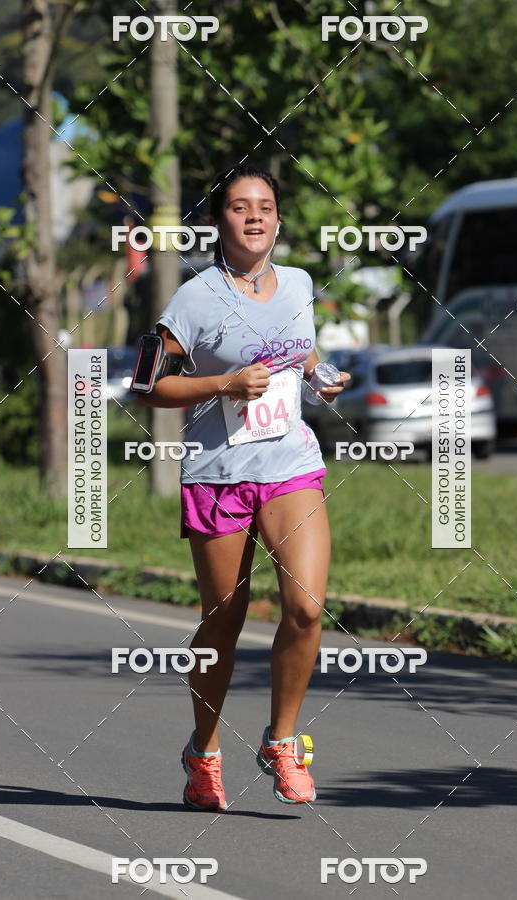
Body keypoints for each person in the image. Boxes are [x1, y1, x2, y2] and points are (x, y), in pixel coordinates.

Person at [139, 163, 350, 810]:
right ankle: (202, 751)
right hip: (218, 474)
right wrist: (221, 385)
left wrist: (320, 374)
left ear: (278, 219)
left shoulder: (301, 283)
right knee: (223, 623)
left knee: (307, 607)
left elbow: (297, 347)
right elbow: (148, 384)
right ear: (218, 221)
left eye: (265, 206)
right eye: (239, 206)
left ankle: (281, 742)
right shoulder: (194, 299)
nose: (254, 216)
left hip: (290, 464)